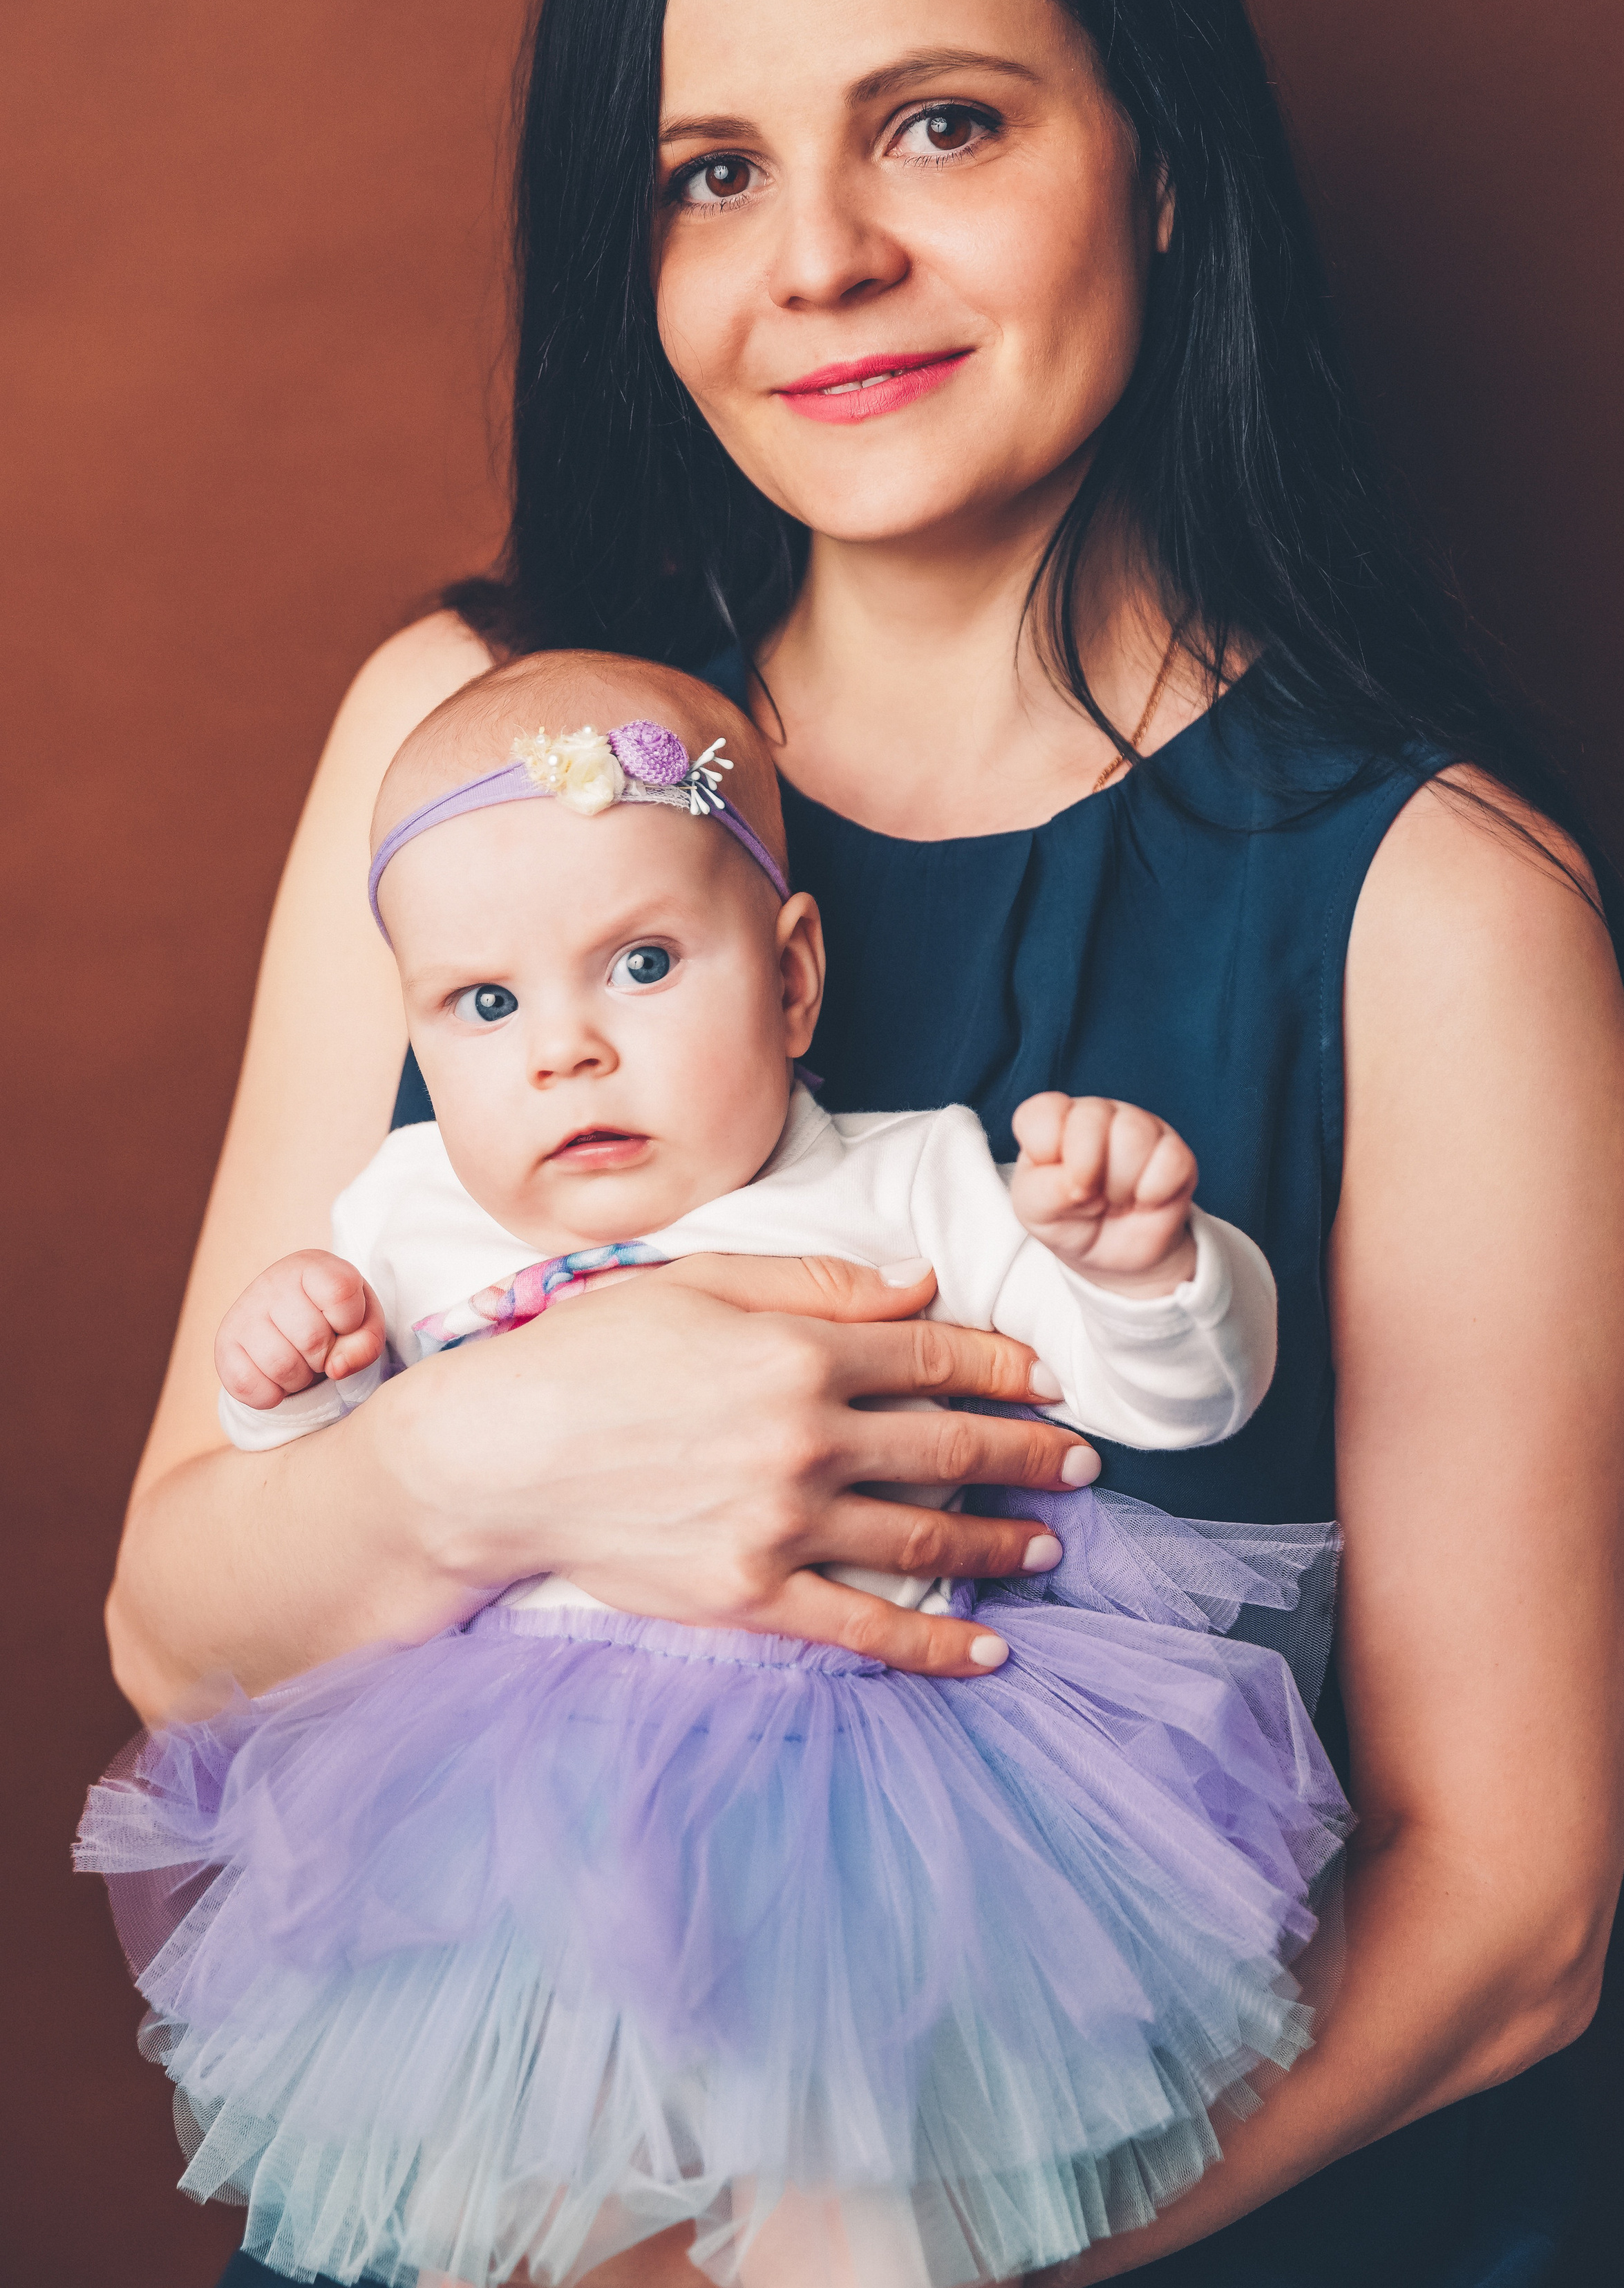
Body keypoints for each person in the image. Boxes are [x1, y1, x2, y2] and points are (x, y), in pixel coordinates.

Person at [104, 0, 1624, 2288]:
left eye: (941, 121)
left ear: (1160, 159)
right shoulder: (473, 741)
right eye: (711, 171)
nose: (819, 256)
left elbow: (1510, 1923)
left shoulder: (1438, 906)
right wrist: (493, 1463)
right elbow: (179, 1620)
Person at [84, 652, 1352, 2288]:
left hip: (861, 1809)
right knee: (501, 2217)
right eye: (486, 1005)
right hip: (507, 1824)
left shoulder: (912, 1181)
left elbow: (1170, 1395)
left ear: (791, 981)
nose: (567, 1051)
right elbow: (315, 1503)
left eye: (642, 963)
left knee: (849, 2213)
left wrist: (1139, 1266)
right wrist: (290, 1372)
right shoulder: (411, 1216)